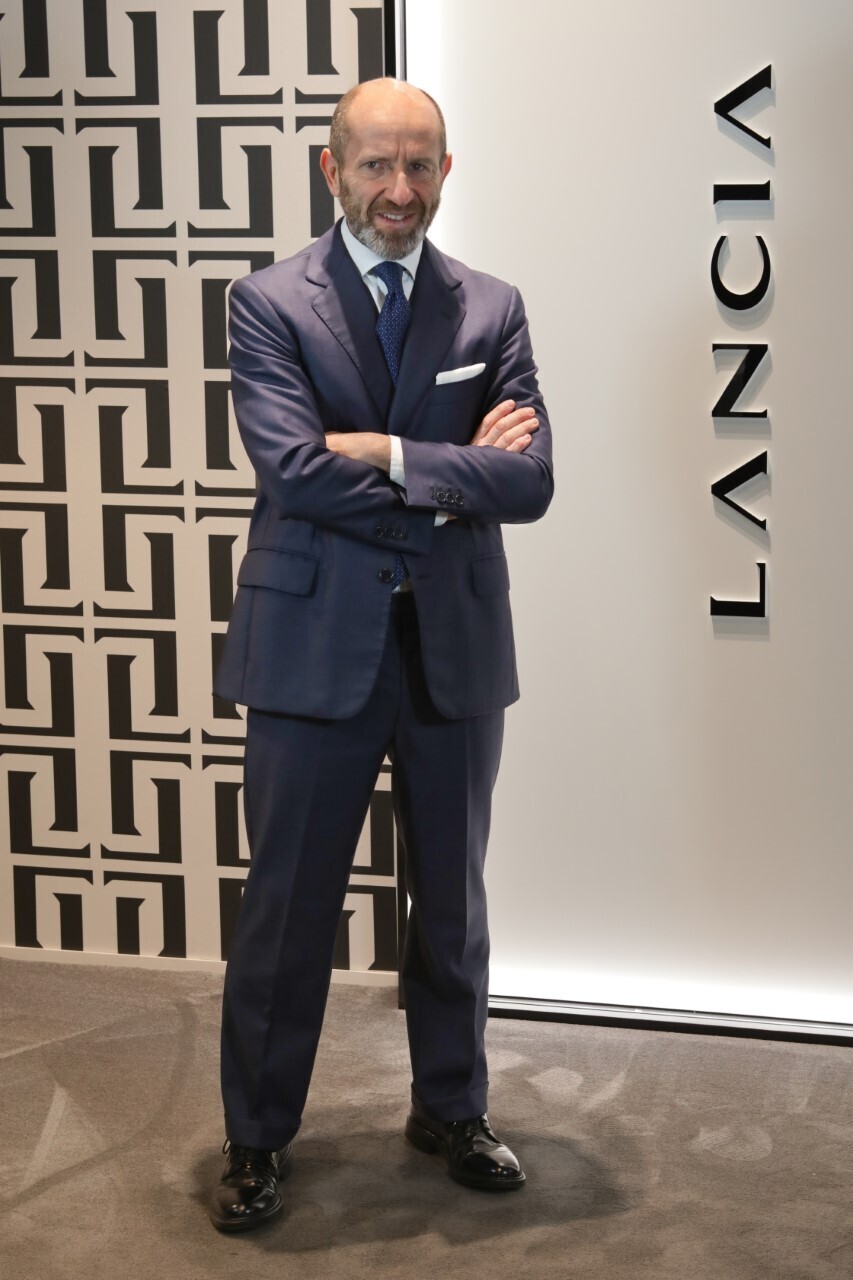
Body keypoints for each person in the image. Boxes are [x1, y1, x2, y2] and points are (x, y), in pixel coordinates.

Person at [208, 76, 553, 1232]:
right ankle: (257, 1136)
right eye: (375, 165)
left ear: (444, 171)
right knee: (289, 906)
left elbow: (531, 479)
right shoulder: (268, 303)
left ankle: (451, 1107)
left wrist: (393, 455)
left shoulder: (491, 307)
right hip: (311, 644)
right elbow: (295, 472)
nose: (397, 189)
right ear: (332, 169)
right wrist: (456, 482)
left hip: (453, 646)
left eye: (417, 165)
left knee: (451, 898)